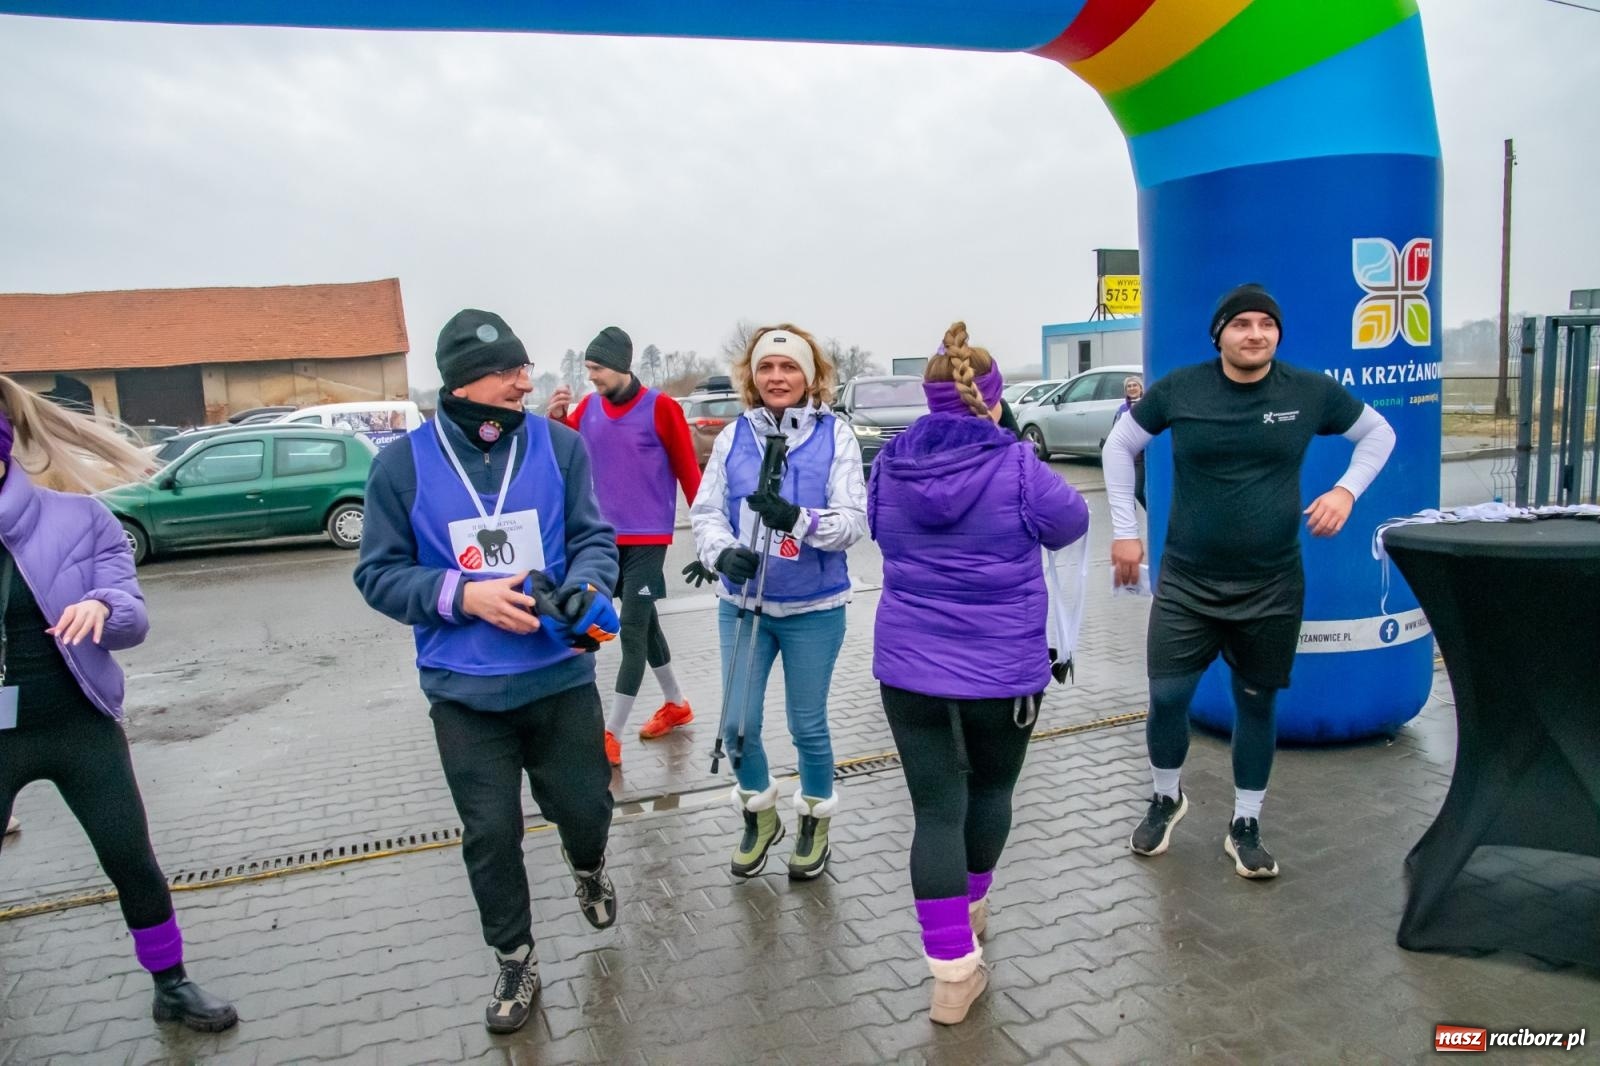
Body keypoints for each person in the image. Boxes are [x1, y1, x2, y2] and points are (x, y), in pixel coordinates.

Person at [354, 310, 622, 1034]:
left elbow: (595, 539)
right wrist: (460, 595)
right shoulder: (401, 466)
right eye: (510, 370)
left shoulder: (559, 446)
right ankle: (514, 954)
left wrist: (590, 590)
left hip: (560, 678)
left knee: (586, 807)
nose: (523, 381)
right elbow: (377, 575)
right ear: (463, 380)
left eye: (524, 368)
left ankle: (589, 863)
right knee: (489, 833)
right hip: (465, 693)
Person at [1102, 284, 1396, 879]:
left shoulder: (1307, 391)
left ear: (1278, 334)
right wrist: (1123, 529)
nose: (1255, 334)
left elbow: (1379, 434)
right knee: (1167, 697)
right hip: (1187, 582)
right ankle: (1166, 797)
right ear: (1220, 335)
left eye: (1266, 324)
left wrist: (1346, 490)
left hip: (1271, 585)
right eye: (1241, 324)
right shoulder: (1183, 389)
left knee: (1256, 704)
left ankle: (1246, 822)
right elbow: (1121, 442)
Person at [0, 376, 238, 1032]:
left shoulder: (77, 518)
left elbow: (133, 618)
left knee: (131, 859)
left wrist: (100, 606)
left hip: (79, 726)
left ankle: (172, 985)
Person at [869, 322, 1089, 1024]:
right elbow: (1073, 522)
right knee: (990, 791)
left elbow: (877, 529)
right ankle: (969, 907)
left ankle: (951, 972)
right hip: (1003, 671)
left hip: (908, 669)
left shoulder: (889, 464)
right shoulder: (1020, 464)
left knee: (935, 812)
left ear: (930, 400)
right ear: (991, 401)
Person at [687, 323, 866, 880]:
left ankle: (814, 820)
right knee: (737, 725)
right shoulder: (733, 435)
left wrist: (800, 520)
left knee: (806, 725)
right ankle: (759, 813)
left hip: (813, 608)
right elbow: (706, 511)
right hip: (742, 607)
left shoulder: (836, 435)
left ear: (811, 378)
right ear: (752, 377)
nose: (777, 376)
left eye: (789, 368)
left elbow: (854, 522)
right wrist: (721, 553)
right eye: (766, 367)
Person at [546, 327, 702, 767]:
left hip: (649, 542)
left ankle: (609, 735)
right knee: (646, 624)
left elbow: (690, 473)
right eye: (588, 368)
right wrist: (557, 418)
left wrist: (710, 537)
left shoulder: (663, 408)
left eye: (595, 368)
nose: (590, 376)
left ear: (619, 366)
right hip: (601, 542)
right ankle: (676, 705)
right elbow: (567, 452)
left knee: (630, 630)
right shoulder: (588, 409)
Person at [1111, 375, 1146, 510]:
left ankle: (1154, 517)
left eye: (1135, 385)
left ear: (1141, 388)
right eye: (1129, 386)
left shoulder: (1146, 405)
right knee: (1127, 494)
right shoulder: (1122, 409)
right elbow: (1115, 430)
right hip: (1127, 456)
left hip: (1143, 456)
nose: (1132, 388)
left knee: (1138, 491)